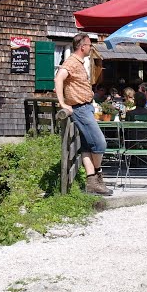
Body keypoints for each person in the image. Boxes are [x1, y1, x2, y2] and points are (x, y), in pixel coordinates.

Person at [54, 33, 112, 196]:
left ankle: (91, 181)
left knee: (87, 146)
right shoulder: (72, 62)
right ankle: (98, 174)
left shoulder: (79, 62)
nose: (91, 47)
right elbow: (58, 79)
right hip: (79, 109)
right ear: (82, 47)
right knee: (100, 144)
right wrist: (62, 103)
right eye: (89, 45)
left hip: (86, 107)